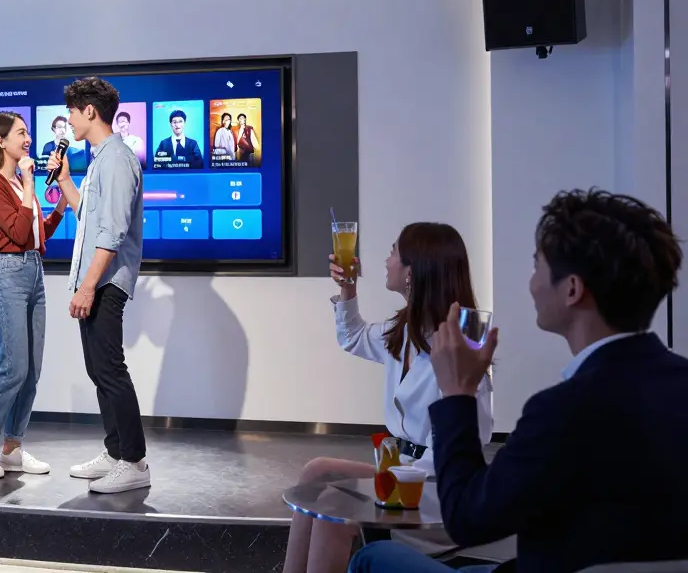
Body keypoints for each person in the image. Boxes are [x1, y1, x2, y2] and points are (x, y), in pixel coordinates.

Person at [350, 189, 688, 573]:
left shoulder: (558, 413)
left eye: (537, 266)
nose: (530, 283)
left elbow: (468, 518)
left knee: (371, 557)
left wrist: (457, 395)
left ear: (572, 290)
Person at [283, 222, 493, 573]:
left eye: (394, 251)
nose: (386, 259)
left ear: (413, 271)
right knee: (316, 471)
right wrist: (347, 289)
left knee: (333, 510)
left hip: (434, 492)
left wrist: (387, 477)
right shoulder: (405, 332)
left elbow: (453, 456)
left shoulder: (460, 350)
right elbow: (352, 336)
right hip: (402, 474)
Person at [47, 77, 149, 494]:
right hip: (96, 280)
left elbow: (112, 232)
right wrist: (66, 181)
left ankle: (134, 460)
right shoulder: (99, 160)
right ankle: (114, 451)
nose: (69, 120)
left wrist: (87, 287)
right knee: (98, 369)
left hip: (106, 282)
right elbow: (87, 216)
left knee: (109, 369)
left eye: (72, 112)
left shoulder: (117, 158)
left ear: (90, 111)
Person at [0, 111, 68, 478]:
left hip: (34, 271)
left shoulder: (23, 186)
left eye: (27, 133)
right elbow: (19, 232)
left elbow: (37, 234)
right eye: (21, 133)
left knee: (32, 370)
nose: (28, 139)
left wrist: (59, 206)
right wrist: (27, 181)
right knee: (14, 367)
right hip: (8, 273)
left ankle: (12, 447)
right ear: (1, 141)